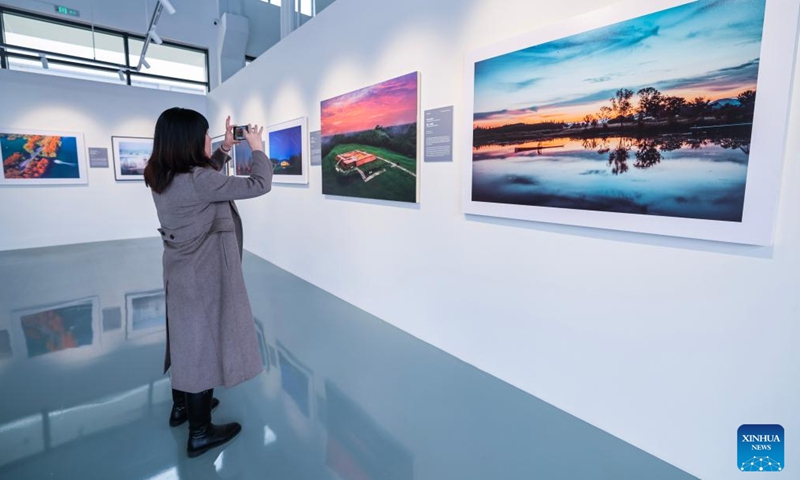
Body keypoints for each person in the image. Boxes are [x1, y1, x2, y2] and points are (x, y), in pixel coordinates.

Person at [144, 107, 272, 458]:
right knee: (200, 346)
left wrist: (225, 150)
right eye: (206, 134)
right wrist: (256, 148)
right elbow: (260, 184)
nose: (209, 138)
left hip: (179, 270)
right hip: (203, 273)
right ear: (190, 140)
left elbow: (202, 179)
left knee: (185, 339)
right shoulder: (200, 180)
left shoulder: (160, 174)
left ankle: (182, 408)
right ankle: (199, 434)